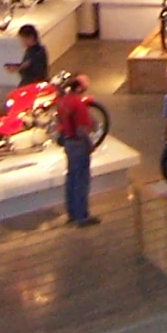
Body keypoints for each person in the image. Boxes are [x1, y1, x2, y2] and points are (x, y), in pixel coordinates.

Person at [55, 73, 100, 226]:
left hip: (68, 142)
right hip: (78, 144)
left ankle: (72, 213)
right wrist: (89, 144)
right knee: (82, 180)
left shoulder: (63, 102)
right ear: (79, 88)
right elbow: (81, 128)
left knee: (71, 178)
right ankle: (82, 216)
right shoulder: (78, 104)